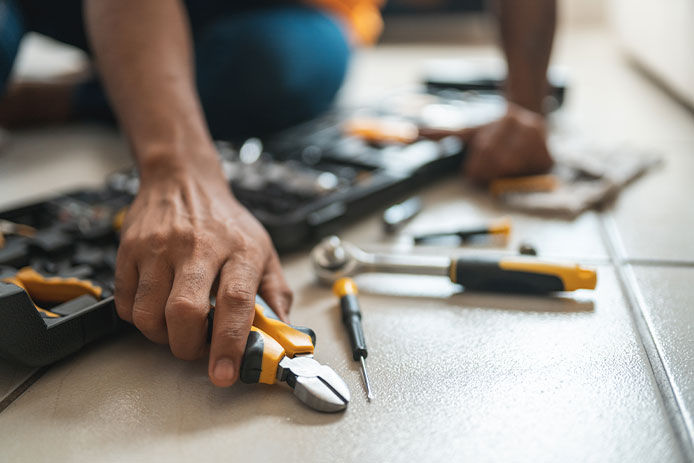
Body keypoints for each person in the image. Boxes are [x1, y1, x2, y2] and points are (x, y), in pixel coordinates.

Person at [0, 0, 555, 387]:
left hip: (276, 17)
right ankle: (118, 78)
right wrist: (179, 170)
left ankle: (82, 95)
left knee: (281, 69)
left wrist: (524, 109)